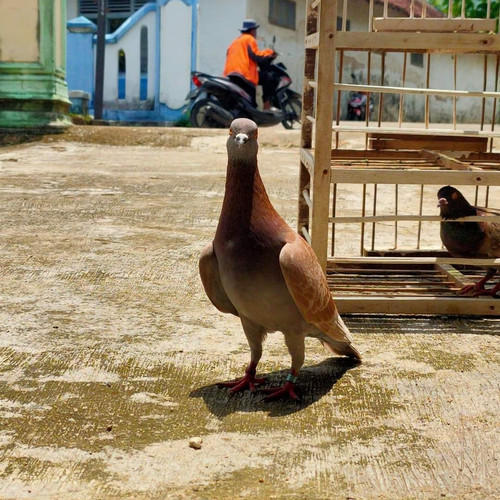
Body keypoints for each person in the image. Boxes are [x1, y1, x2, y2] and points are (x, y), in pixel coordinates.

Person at [223, 19, 277, 109]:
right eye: (255, 30)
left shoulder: (234, 42)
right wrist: (270, 52)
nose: (256, 32)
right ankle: (267, 105)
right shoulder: (249, 39)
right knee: (269, 77)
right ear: (252, 30)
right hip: (244, 75)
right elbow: (256, 55)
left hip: (230, 75)